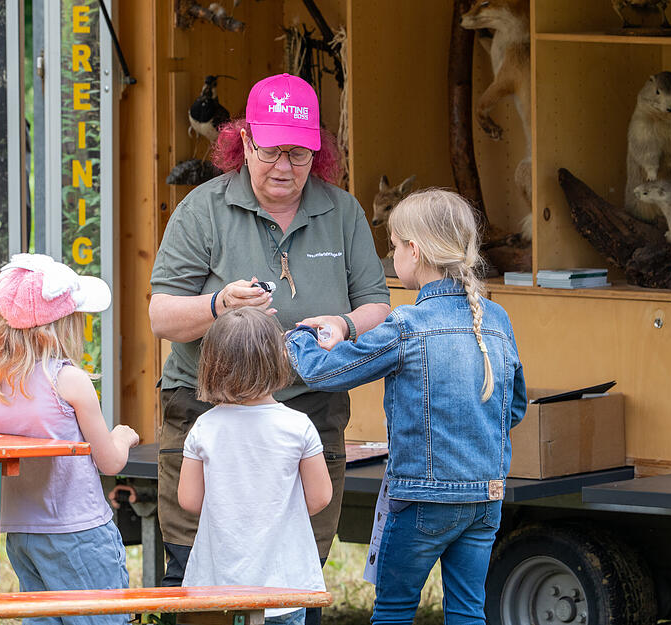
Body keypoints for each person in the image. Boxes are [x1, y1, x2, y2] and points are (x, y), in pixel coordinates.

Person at [147, 71, 391, 620]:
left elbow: (378, 304)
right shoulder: (202, 210)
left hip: (309, 409)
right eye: (270, 151)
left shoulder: (342, 211)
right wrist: (219, 306)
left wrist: (345, 324)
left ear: (317, 154)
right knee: (195, 564)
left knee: (297, 565)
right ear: (243, 143)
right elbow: (160, 316)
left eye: (298, 154)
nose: (283, 168)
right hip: (205, 408)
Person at [286, 189, 528, 625]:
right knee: (469, 611)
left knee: (395, 611)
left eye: (394, 245)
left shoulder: (406, 325)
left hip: (420, 498)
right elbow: (514, 408)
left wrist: (300, 335)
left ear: (414, 251)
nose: (391, 252)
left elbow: (325, 372)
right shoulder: (497, 320)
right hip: (486, 495)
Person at [0, 253, 141, 625]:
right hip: (78, 530)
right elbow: (110, 461)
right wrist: (123, 436)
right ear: (62, 326)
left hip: (22, 533)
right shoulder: (69, 380)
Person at [178, 307, 332, 625]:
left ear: (211, 364)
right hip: (285, 583)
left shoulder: (204, 427)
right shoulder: (298, 426)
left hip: (217, 582)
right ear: (277, 360)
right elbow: (320, 499)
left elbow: (189, 501)